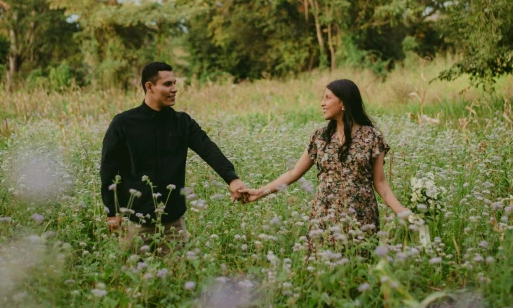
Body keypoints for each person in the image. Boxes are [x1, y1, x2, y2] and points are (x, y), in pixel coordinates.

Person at [238, 79, 408, 252]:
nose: (322, 103)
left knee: (358, 269)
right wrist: (259, 192)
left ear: (344, 102)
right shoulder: (320, 136)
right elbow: (294, 173)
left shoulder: (372, 137)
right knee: (323, 268)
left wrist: (401, 211)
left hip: (361, 217)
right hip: (324, 215)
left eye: (327, 98)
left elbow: (380, 182)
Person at [100, 61, 245, 251]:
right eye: (168, 84)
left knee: (177, 277)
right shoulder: (124, 123)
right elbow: (108, 170)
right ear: (149, 87)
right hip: (134, 224)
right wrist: (112, 211)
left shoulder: (182, 122)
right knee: (133, 278)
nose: (175, 89)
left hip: (173, 225)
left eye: (175, 83)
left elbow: (208, 149)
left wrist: (232, 178)